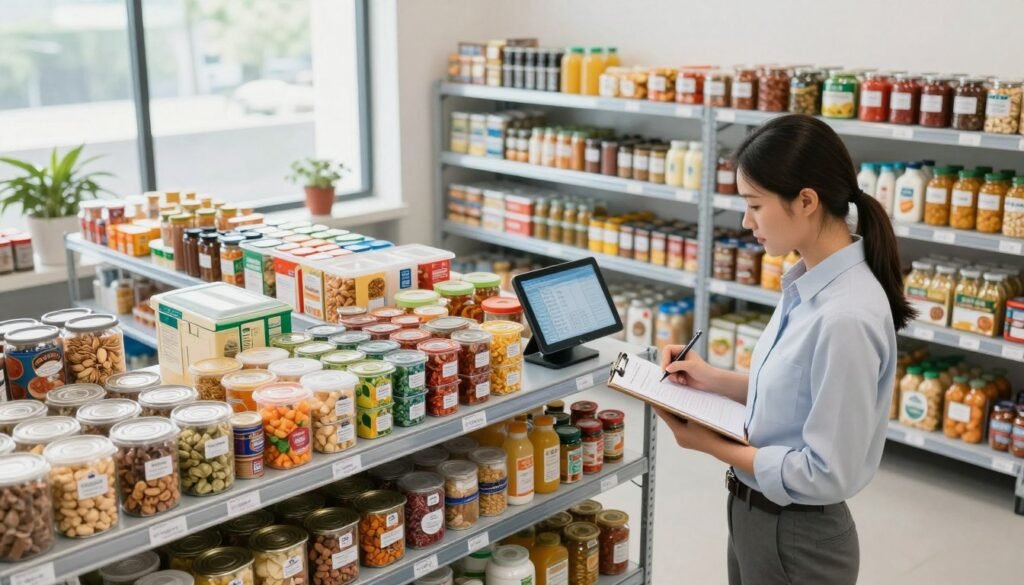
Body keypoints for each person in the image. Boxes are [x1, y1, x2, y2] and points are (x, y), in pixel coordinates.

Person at [657, 115, 914, 585]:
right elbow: (797, 393)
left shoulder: (846, 317)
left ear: (807, 201)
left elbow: (824, 472)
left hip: (797, 536)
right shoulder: (807, 283)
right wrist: (710, 378)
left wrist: (712, 445)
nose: (745, 221)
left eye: (755, 205)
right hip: (758, 517)